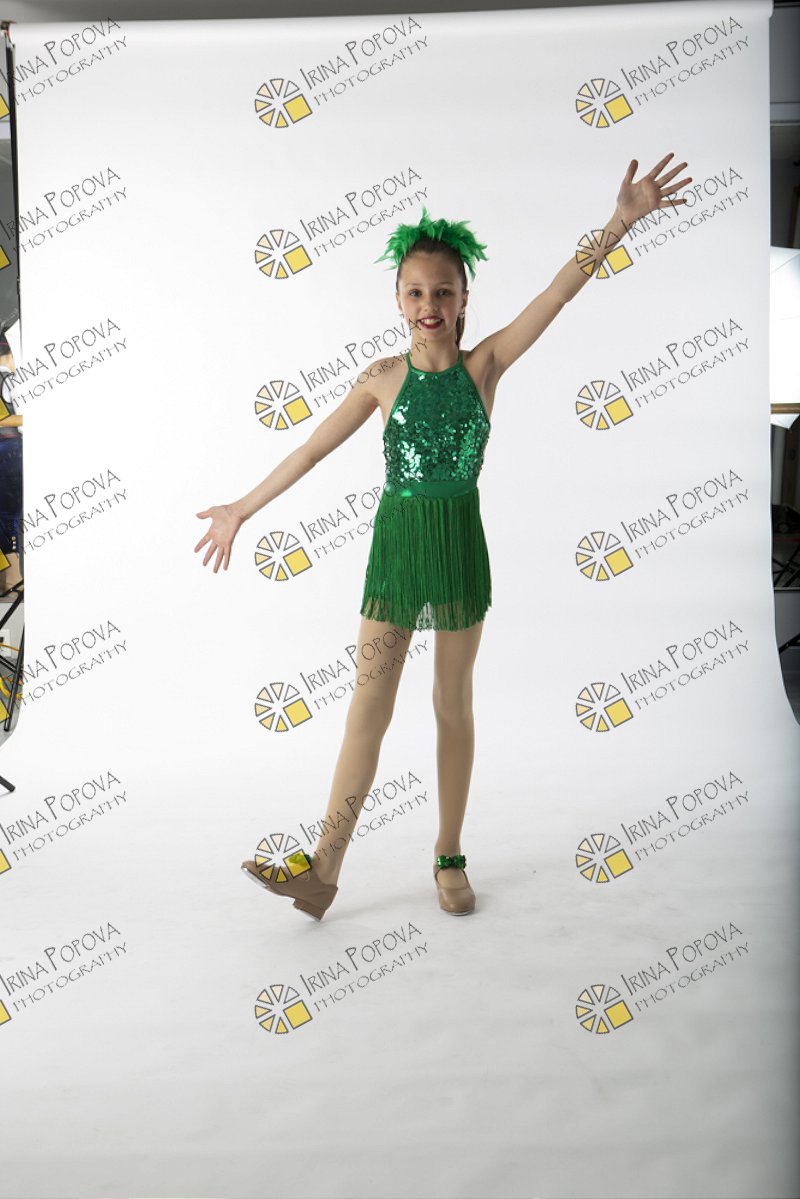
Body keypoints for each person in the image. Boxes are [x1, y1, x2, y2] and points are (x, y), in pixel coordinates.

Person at [194, 152, 691, 921]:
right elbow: (311, 450)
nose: (430, 303)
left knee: (451, 704)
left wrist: (618, 224)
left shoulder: (485, 365)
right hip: (396, 548)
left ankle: (449, 853)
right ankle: (324, 869)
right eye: (416, 291)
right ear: (398, 298)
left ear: (464, 300)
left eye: (444, 291)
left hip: (458, 545)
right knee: (367, 708)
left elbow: (557, 292)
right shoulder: (381, 378)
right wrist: (241, 508)